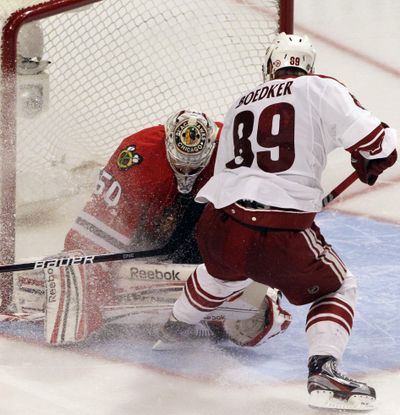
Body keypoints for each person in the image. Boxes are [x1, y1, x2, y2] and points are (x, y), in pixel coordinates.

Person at [154, 33, 398, 411]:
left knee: (220, 273)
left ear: (270, 67)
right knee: (338, 287)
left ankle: (173, 328)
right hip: (277, 229)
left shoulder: (240, 101)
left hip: (218, 223)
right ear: (309, 67)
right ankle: (324, 368)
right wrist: (372, 159)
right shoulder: (321, 87)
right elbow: (381, 144)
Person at [43, 109, 291, 346]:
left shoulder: (237, 156)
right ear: (168, 146)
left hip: (205, 233)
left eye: (194, 167)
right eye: (181, 165)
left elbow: (257, 227)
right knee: (99, 266)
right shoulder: (139, 156)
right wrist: (87, 265)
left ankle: (217, 295)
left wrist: (255, 272)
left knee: (243, 255)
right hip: (144, 233)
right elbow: (101, 224)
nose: (187, 173)